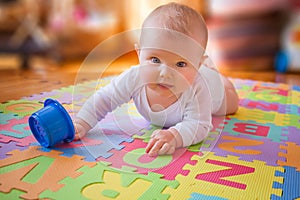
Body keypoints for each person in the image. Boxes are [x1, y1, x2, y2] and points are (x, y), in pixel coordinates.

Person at [73, 2, 239, 157]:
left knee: (231, 103)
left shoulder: (198, 88)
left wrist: (174, 135)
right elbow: (104, 98)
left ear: (197, 64)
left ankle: (216, 75)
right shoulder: (134, 77)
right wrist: (82, 122)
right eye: (155, 60)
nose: (165, 74)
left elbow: (199, 124)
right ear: (139, 54)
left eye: (180, 64)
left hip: (214, 88)